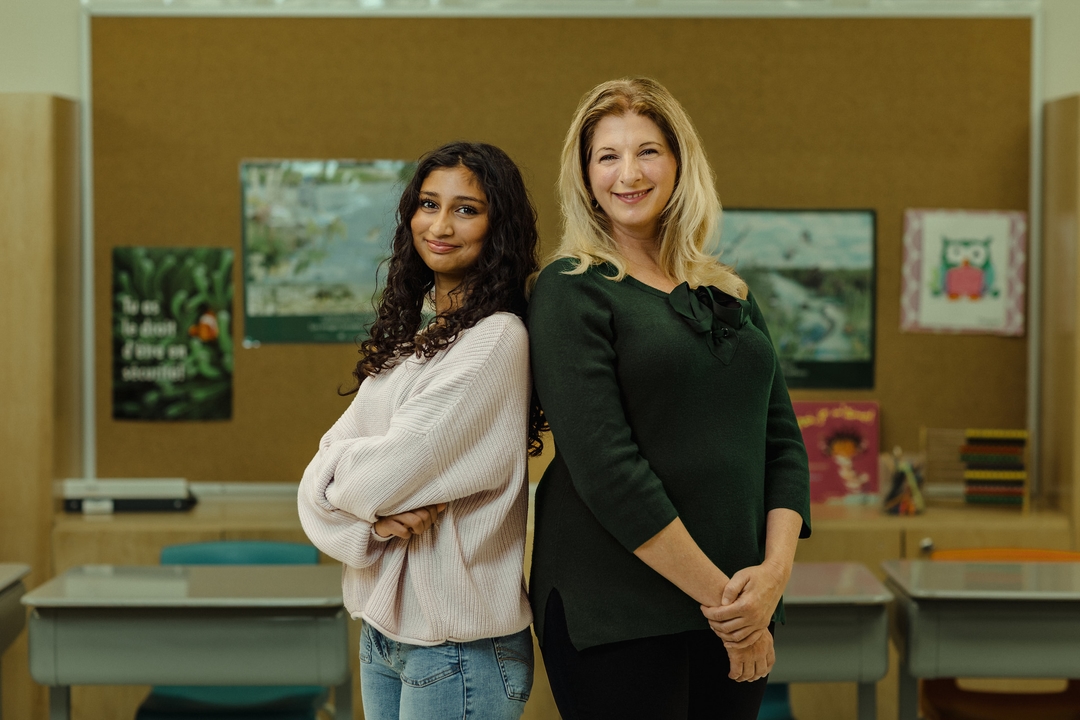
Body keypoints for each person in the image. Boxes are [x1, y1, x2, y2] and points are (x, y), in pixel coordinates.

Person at [527, 77, 812, 719]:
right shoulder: (572, 289)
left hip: (740, 602)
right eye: (607, 156)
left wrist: (772, 578)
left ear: (681, 163)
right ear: (585, 176)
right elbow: (608, 470)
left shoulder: (728, 292)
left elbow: (783, 445)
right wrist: (730, 607)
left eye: (648, 151)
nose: (628, 173)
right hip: (619, 609)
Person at [297, 141, 546, 720]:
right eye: (428, 204)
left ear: (499, 228)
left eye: (467, 209)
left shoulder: (495, 340)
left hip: (459, 646)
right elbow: (320, 476)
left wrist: (344, 488)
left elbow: (378, 474)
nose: (440, 225)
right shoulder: (418, 341)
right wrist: (368, 518)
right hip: (385, 633)